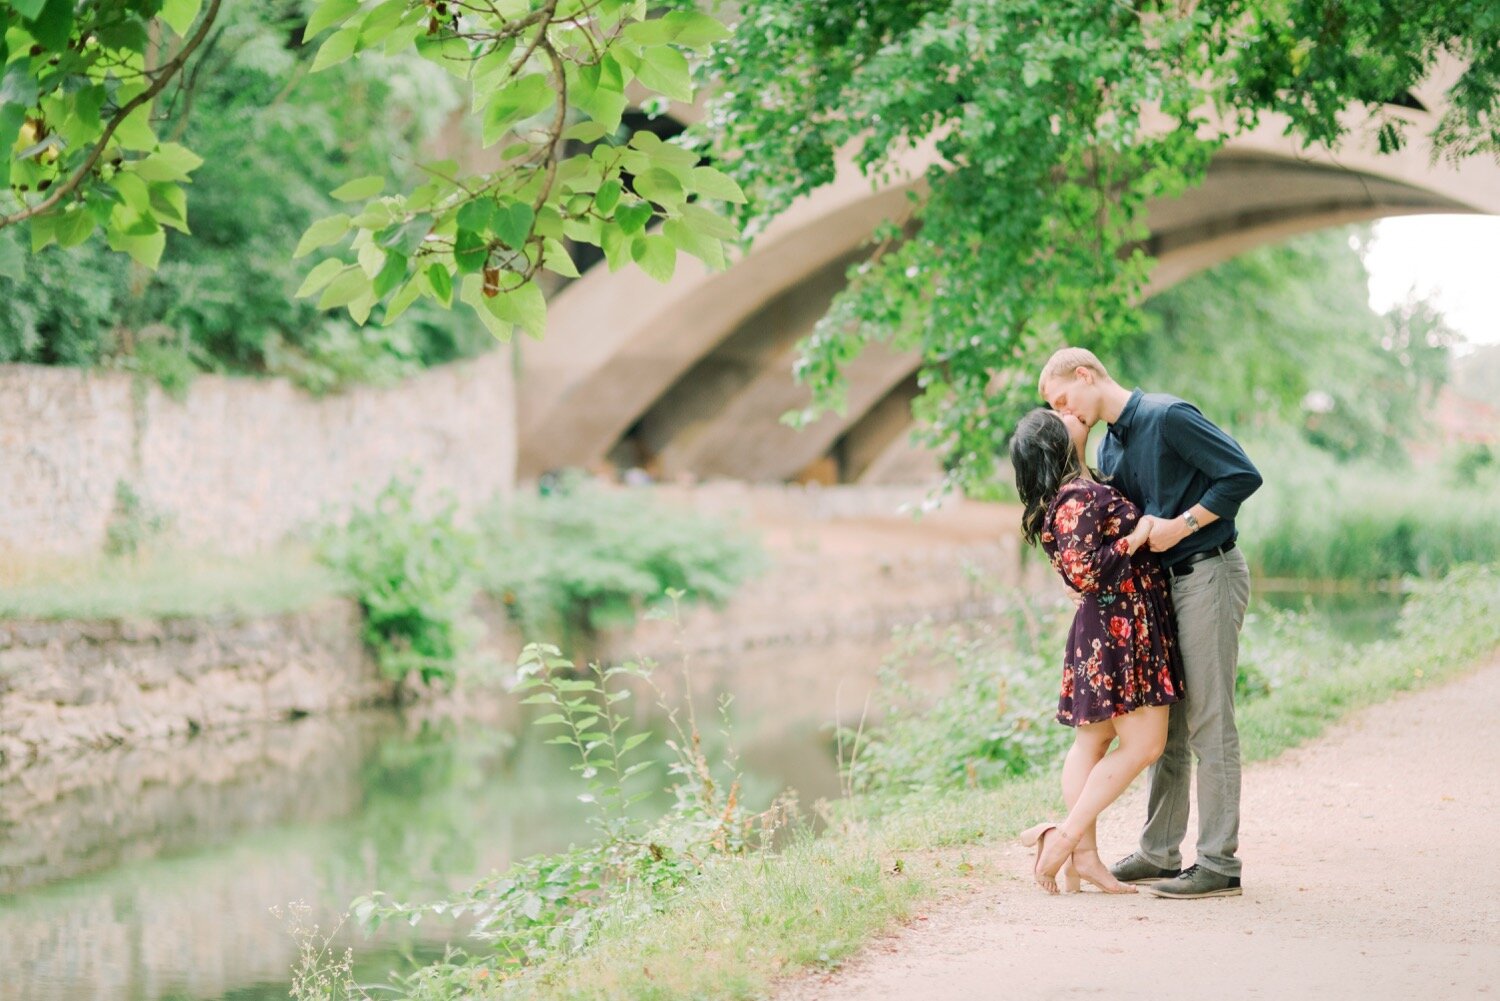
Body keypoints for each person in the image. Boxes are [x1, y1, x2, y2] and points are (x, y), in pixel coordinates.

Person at [1038, 347, 1262, 899]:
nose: (1067, 415)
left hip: (1207, 573)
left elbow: (1242, 476)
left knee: (1210, 721)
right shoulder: (1111, 443)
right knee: (1172, 726)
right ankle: (1160, 853)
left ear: (1084, 375)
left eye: (1064, 400)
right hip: (1162, 595)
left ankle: (1218, 863)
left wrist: (1182, 525)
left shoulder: (1168, 416)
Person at [1009, 407, 1185, 894]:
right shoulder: (1080, 495)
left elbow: (1074, 570)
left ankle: (1083, 856)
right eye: (1057, 414)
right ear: (1055, 442)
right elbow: (1086, 571)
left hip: (1103, 627)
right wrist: (1137, 536)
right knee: (1145, 745)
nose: (1067, 412)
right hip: (1120, 625)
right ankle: (1065, 840)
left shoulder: (1064, 496)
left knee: (1091, 742)